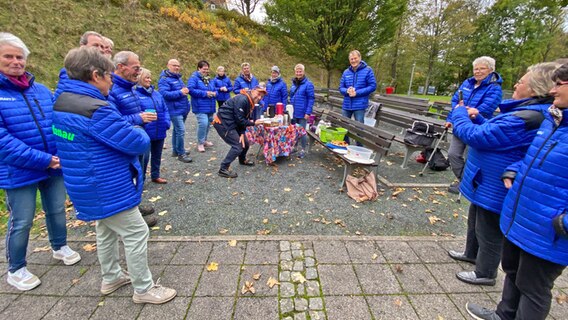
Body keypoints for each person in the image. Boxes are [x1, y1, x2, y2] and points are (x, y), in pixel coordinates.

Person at [52, 46, 177, 304]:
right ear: (95, 75)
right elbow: (137, 142)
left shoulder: (63, 102)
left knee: (105, 229)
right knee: (136, 232)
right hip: (106, 183)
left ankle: (111, 276)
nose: (111, 80)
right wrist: (139, 127)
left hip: (85, 180)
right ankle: (144, 289)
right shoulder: (95, 108)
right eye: (109, 75)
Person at [465, 63, 568, 320]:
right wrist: (513, 169)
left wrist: (563, 223)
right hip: (524, 214)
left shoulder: (545, 117)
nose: (553, 90)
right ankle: (504, 315)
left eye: (560, 83)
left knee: (534, 288)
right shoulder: (555, 120)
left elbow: (483, 136)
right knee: (513, 272)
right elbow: (531, 155)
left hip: (549, 227)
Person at [447, 62, 559, 287]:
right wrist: (478, 118)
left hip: (495, 183)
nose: (516, 84)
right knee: (475, 219)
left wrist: (459, 113)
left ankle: (485, 272)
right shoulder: (523, 112)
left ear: (535, 89)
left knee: (488, 229)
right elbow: (494, 131)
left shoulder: (527, 117)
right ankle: (471, 253)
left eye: (522, 81)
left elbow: (477, 137)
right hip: (485, 179)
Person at [0, 33, 81, 291]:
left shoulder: (42, 90)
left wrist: (67, 148)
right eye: (8, 56)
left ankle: (59, 246)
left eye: (19, 56)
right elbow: (4, 143)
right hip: (19, 170)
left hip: (54, 165)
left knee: (57, 209)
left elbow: (58, 125)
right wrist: (46, 160)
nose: (16, 61)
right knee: (21, 220)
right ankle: (16, 268)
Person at [109, 51, 158, 226]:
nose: (139, 71)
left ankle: (135, 207)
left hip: (137, 140)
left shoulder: (130, 87)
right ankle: (130, 218)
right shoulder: (112, 89)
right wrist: (139, 118)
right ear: (121, 67)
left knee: (138, 175)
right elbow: (112, 121)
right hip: (125, 143)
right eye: (136, 68)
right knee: (128, 176)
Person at [446, 56, 503, 194]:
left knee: (471, 158)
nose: (477, 71)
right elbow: (455, 101)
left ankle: (467, 184)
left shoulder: (494, 88)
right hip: (460, 125)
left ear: (490, 70)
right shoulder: (467, 83)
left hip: (477, 126)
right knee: (453, 154)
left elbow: (486, 108)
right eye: (475, 69)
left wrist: (463, 112)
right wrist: (451, 118)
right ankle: (464, 180)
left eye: (482, 68)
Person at [213, 83, 267, 178]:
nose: (259, 97)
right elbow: (240, 120)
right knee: (237, 146)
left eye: (261, 97)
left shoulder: (250, 101)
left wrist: (242, 133)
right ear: (253, 90)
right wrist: (254, 123)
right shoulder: (243, 99)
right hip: (223, 123)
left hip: (232, 122)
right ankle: (223, 169)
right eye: (258, 94)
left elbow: (243, 118)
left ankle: (242, 160)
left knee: (245, 142)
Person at [135, 68, 170, 184]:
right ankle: (141, 179)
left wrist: (166, 122)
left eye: (150, 77)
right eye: (146, 77)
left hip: (160, 129)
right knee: (144, 158)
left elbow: (165, 109)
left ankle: (156, 175)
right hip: (146, 131)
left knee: (157, 155)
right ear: (140, 78)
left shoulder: (157, 94)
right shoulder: (135, 94)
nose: (149, 80)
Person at [54, 31, 106, 100]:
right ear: (82, 46)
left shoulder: (103, 72)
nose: (100, 49)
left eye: (102, 47)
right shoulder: (71, 71)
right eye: (95, 45)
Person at [158, 59, 192, 163]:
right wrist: (180, 92)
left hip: (182, 108)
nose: (176, 67)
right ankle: (181, 153)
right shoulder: (164, 79)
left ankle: (175, 150)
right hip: (174, 109)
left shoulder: (178, 78)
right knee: (181, 131)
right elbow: (164, 94)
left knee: (177, 130)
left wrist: (184, 91)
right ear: (168, 65)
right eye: (174, 65)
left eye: (178, 66)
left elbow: (180, 91)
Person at [338, 50, 376, 124]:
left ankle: (360, 136)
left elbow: (373, 86)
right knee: (343, 126)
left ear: (360, 58)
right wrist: (347, 91)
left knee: (359, 128)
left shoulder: (368, 70)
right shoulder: (346, 72)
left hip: (360, 105)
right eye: (351, 59)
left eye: (355, 58)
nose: (353, 61)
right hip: (347, 104)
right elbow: (341, 87)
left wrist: (357, 93)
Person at [187, 60, 216, 153]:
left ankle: (204, 140)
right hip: (200, 106)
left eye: (207, 69)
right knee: (203, 123)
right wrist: (205, 93)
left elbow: (215, 89)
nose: (206, 71)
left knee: (208, 124)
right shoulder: (194, 78)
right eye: (204, 69)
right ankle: (200, 143)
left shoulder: (209, 79)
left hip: (210, 105)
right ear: (199, 68)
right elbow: (190, 90)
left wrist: (215, 93)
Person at [289, 64, 315, 159]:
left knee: (302, 132)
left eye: (300, 71)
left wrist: (308, 112)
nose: (298, 73)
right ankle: (295, 147)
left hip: (303, 112)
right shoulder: (294, 83)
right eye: (297, 71)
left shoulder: (308, 84)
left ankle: (303, 149)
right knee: (294, 131)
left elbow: (311, 99)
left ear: (303, 72)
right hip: (294, 112)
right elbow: (291, 96)